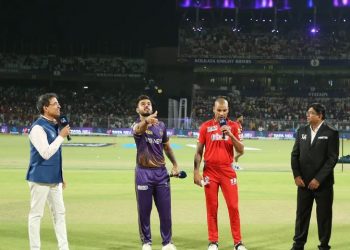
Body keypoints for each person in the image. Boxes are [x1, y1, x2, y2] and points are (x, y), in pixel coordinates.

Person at [194, 97, 248, 250]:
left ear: (228, 110)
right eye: (219, 110)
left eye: (224, 110)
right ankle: (213, 241)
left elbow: (241, 150)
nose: (222, 113)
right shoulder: (205, 127)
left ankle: (238, 242)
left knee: (233, 207)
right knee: (212, 207)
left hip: (227, 171)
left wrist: (230, 135)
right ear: (213, 109)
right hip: (210, 171)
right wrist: (196, 172)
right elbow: (198, 151)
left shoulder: (234, 126)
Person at [132, 95, 179, 250]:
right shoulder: (137, 125)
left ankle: (167, 243)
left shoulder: (161, 126)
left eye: (149, 103)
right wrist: (146, 121)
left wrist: (175, 164)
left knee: (165, 210)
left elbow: (167, 147)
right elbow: (139, 129)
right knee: (144, 210)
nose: (146, 106)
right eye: (143, 104)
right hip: (143, 173)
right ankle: (146, 242)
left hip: (161, 173)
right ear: (137, 109)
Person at [291, 103, 339, 250]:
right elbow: (295, 154)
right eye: (308, 112)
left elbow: (332, 159)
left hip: (323, 184)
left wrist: (318, 179)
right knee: (301, 215)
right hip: (303, 183)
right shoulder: (302, 130)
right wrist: (297, 175)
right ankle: (298, 245)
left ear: (320, 115)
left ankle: (324, 245)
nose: (307, 115)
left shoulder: (331, 132)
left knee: (324, 216)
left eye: (311, 113)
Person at [26, 93, 71, 250]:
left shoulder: (55, 124)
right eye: (55, 103)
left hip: (54, 178)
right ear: (45, 107)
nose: (59, 106)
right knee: (36, 215)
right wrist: (61, 137)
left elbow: (56, 155)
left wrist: (61, 174)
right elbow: (45, 153)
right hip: (39, 177)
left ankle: (64, 247)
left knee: (60, 214)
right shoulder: (38, 127)